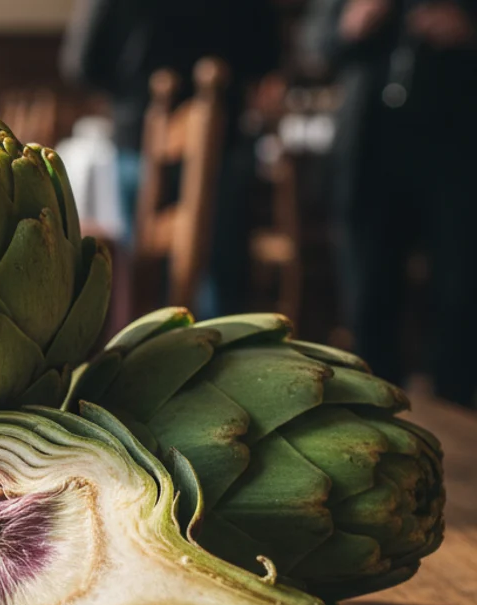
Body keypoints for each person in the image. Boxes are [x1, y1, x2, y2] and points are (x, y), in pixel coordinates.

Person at [303, 0, 477, 407]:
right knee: (367, 296)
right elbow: (315, 42)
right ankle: (374, 417)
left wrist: (468, 30)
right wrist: (352, 23)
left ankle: (456, 419)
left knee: (460, 294)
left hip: (459, 152)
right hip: (369, 153)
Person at [59, 0, 282, 316]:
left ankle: (160, 350)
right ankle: (217, 355)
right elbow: (265, 54)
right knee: (219, 275)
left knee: (143, 279)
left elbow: (81, 64)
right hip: (225, 137)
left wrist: (130, 92)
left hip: (136, 132)